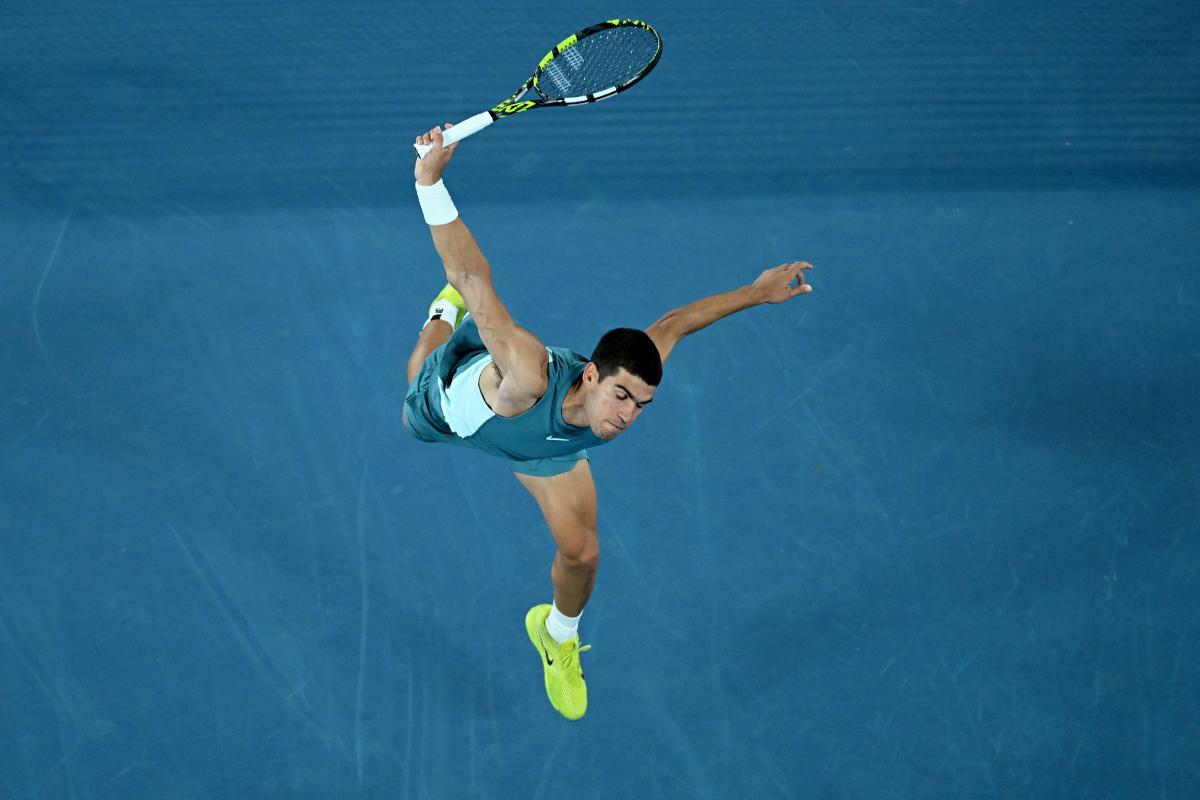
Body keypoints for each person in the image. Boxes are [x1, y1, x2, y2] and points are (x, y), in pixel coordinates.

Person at [403, 124, 814, 720]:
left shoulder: (621, 381)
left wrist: (754, 293)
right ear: (591, 375)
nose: (627, 417)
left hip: (543, 448)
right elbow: (475, 275)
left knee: (582, 554)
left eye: (641, 405)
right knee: (420, 365)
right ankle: (441, 315)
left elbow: (672, 324)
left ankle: (558, 637)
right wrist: (429, 183)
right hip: (463, 410)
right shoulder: (528, 372)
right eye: (622, 396)